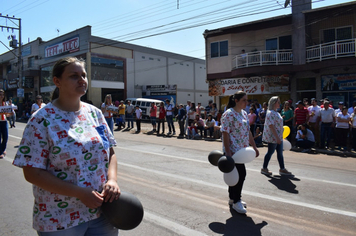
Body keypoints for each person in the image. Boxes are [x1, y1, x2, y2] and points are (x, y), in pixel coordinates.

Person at [12, 57, 120, 235]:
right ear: (57, 81)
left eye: (83, 75)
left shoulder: (95, 114)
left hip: (102, 213)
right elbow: (32, 172)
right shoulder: (41, 119)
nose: (81, 80)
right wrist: (80, 193)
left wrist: (112, 180)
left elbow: (110, 152)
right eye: (73, 76)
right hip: (60, 218)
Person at [221, 91, 259, 214]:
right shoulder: (228, 114)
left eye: (246, 100)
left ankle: (233, 199)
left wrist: (254, 146)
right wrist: (228, 152)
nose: (246, 103)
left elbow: (248, 132)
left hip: (242, 151)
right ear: (236, 100)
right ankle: (236, 200)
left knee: (235, 176)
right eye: (243, 100)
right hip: (233, 152)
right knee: (240, 175)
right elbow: (225, 133)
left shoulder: (244, 114)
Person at [261, 96, 293, 176]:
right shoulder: (270, 113)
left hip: (278, 136)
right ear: (273, 103)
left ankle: (282, 169)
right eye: (278, 102)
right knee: (270, 152)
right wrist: (277, 138)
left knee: (280, 153)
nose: (280, 103)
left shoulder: (276, 112)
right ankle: (264, 168)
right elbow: (271, 126)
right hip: (273, 137)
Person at [0, 89, 10, 159]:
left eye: (2, 95)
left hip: (4, 121)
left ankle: (3, 149)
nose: (1, 96)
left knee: (5, 137)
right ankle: (0, 152)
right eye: (0, 95)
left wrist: (10, 111)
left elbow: (7, 115)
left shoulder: (5, 104)